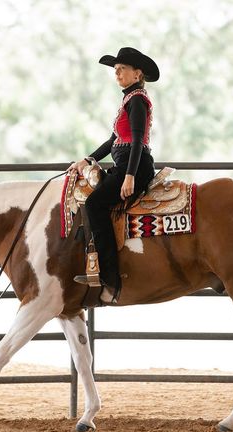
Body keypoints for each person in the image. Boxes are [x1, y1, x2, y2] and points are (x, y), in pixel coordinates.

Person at [68, 47, 159, 303]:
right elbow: (114, 140)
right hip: (124, 165)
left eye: (122, 69)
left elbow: (139, 139)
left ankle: (110, 277)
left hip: (135, 166)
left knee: (96, 204)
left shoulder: (138, 100)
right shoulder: (129, 99)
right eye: (116, 70)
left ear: (137, 73)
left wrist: (129, 176)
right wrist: (87, 159)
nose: (117, 74)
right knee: (95, 199)